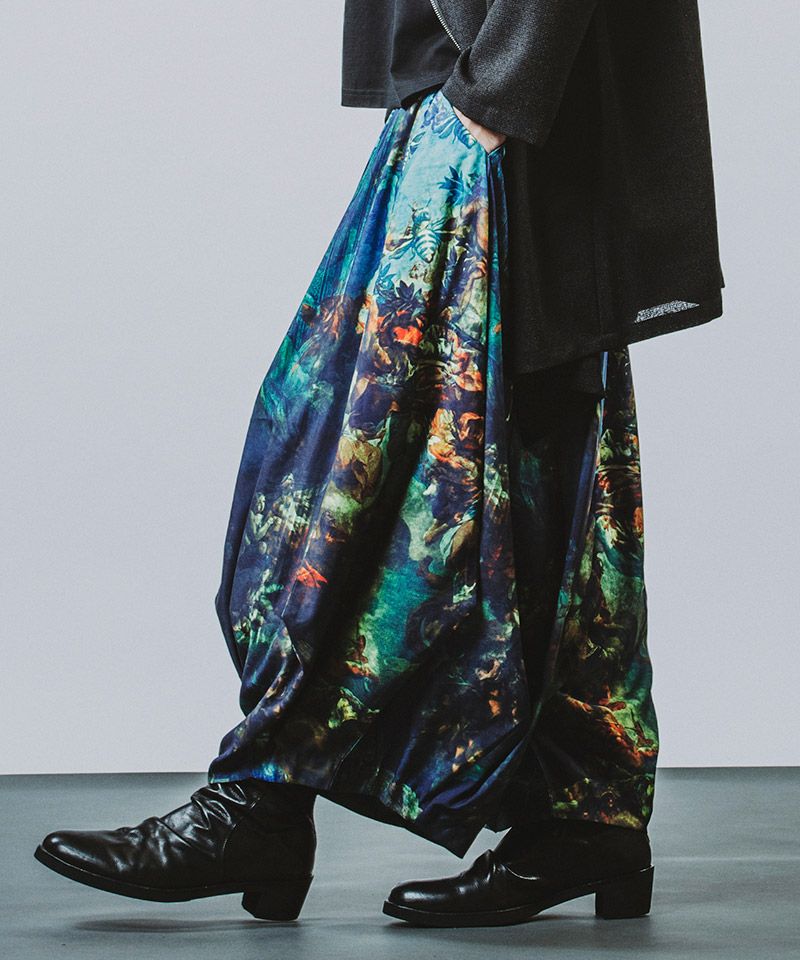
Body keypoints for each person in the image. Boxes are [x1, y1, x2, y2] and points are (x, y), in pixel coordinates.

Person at [33, 0, 723, 928]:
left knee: (343, 468)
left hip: (497, 101)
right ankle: (586, 811)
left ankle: (265, 798)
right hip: (494, 96)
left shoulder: (484, 114)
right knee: (539, 460)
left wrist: (495, 97)